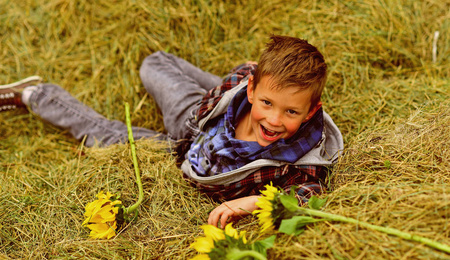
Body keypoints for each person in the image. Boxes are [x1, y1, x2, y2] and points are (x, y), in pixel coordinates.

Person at [0, 35, 343, 228]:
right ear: (253, 92)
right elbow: (249, 93)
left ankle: (33, 95)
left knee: (104, 133)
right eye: (268, 103)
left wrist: (251, 203)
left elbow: (311, 192)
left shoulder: (295, 158)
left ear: (310, 111)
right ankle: (229, 84)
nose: (275, 120)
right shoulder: (246, 87)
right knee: (154, 63)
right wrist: (238, 85)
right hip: (194, 119)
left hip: (176, 152)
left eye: (292, 112)